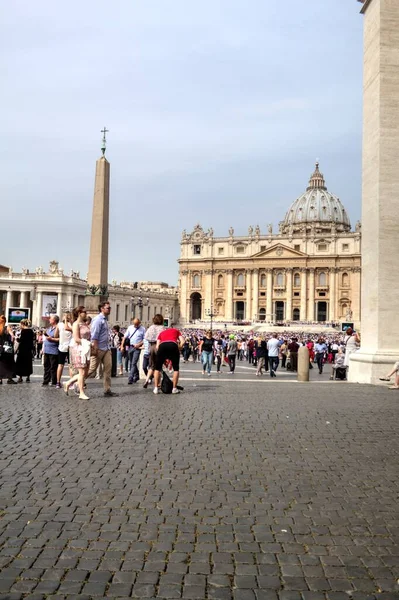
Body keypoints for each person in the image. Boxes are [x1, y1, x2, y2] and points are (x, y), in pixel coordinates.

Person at [87, 302, 118, 397]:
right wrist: (95, 348)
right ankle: (76, 381)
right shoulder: (97, 320)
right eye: (108, 308)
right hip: (98, 348)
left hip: (106, 348)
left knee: (108, 369)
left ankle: (107, 389)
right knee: (91, 369)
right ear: (102, 308)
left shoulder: (105, 320)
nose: (109, 309)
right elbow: (94, 336)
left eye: (110, 308)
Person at [64, 306, 91, 400]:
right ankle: (81, 393)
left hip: (86, 349)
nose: (86, 313)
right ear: (79, 313)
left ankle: (68, 383)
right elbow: (76, 339)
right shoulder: (76, 324)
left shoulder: (84, 323)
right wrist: (87, 342)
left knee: (86, 372)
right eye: (85, 312)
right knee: (82, 372)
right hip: (78, 349)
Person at [153, 327, 185, 394]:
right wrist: (180, 347)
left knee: (157, 368)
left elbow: (157, 346)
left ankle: (156, 388)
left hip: (162, 346)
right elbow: (183, 341)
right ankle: (174, 388)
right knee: (176, 368)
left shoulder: (161, 333)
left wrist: (161, 356)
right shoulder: (176, 330)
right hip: (173, 345)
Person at [143, 314, 165, 388]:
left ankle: (146, 380)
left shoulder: (151, 327)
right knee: (158, 367)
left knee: (152, 365)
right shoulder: (162, 328)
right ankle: (158, 383)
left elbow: (146, 337)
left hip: (151, 346)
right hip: (160, 347)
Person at [123, 318, 146, 384]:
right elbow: (125, 337)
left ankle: (130, 377)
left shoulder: (143, 329)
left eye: (136, 324)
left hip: (137, 348)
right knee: (132, 362)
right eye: (134, 324)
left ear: (139, 323)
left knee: (133, 363)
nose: (135, 325)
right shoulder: (130, 327)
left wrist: (139, 344)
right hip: (130, 347)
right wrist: (122, 346)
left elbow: (144, 339)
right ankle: (137, 375)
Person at [42, 315, 60, 386]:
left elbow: (60, 339)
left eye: (50, 319)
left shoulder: (58, 329)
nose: (49, 320)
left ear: (54, 320)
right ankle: (46, 380)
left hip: (53, 350)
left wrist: (51, 339)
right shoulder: (49, 328)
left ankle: (54, 381)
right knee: (46, 366)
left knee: (53, 367)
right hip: (47, 350)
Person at [56, 312, 72, 389]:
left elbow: (56, 335)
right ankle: (71, 383)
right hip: (70, 347)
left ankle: (58, 383)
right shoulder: (72, 325)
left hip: (61, 347)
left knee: (60, 365)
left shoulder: (59, 325)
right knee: (70, 366)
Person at [0, 315, 17, 384]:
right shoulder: (7, 327)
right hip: (8, 348)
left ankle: (0, 379)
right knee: (9, 363)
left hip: (0, 348)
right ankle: (9, 379)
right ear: (5, 321)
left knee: (1, 363)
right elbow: (12, 335)